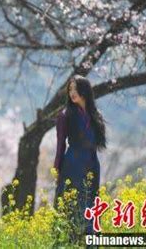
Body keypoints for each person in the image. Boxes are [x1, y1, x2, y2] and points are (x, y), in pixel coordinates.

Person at [53, 75, 107, 236]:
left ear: (84, 90)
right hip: (72, 164)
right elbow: (60, 145)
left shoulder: (95, 115)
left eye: (75, 89)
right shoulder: (65, 115)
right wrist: (57, 169)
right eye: (70, 89)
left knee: (91, 203)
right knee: (72, 205)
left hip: (92, 163)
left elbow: (97, 143)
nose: (72, 93)